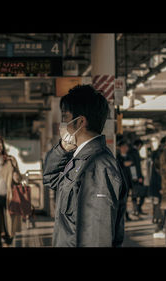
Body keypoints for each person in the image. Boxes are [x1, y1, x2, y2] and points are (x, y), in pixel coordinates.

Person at [42, 85, 128, 247]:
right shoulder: (81, 159)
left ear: (80, 122)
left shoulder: (98, 166)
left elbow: (96, 236)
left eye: (66, 117)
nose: (63, 123)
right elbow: (50, 179)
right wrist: (61, 150)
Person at [116, 139, 138, 221]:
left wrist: (135, 178)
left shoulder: (130, 157)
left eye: (126, 147)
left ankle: (126, 215)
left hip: (129, 182)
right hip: (121, 182)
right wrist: (123, 164)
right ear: (120, 148)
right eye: (123, 147)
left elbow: (133, 168)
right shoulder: (118, 158)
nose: (124, 148)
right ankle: (122, 215)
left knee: (127, 199)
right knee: (121, 200)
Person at [150, 137, 166, 238]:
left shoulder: (157, 155)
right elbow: (160, 173)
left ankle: (160, 227)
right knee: (161, 208)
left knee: (160, 207)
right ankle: (159, 228)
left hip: (158, 186)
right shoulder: (161, 156)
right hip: (160, 186)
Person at [129, 139, 146, 216]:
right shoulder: (134, 152)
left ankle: (136, 209)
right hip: (136, 177)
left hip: (133, 176)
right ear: (139, 145)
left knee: (136, 194)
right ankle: (136, 209)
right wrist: (137, 177)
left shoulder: (131, 151)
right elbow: (134, 166)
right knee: (139, 193)